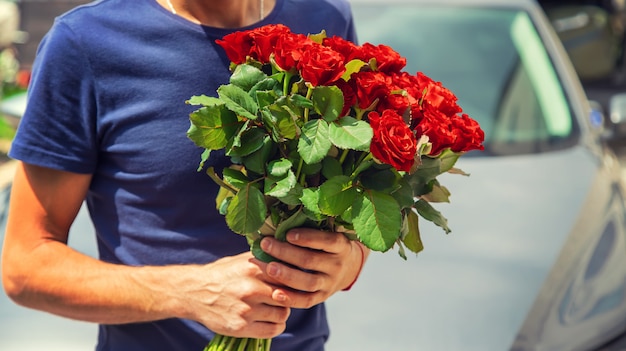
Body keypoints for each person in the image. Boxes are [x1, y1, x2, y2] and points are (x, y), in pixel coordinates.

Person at [0, 1, 369, 350]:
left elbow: (353, 192)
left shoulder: (325, 19)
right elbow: (27, 267)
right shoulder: (85, 42)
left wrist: (350, 262)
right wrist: (185, 292)